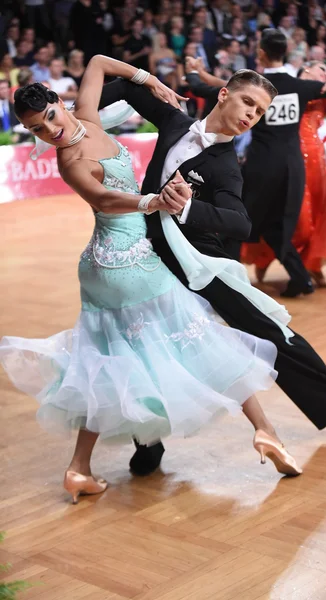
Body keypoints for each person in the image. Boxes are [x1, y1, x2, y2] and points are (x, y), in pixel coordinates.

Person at [0, 57, 302, 504]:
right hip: (127, 263)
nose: (50, 131)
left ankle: (79, 468)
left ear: (59, 103)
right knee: (201, 338)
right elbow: (103, 197)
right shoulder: (70, 159)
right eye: (37, 131)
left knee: (104, 364)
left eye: (49, 117)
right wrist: (155, 202)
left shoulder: (84, 116)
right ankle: (266, 430)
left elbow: (99, 63)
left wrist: (150, 80)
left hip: (104, 269)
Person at [98, 62, 326, 479]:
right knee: (139, 338)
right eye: (248, 101)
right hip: (145, 252)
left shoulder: (226, 164)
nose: (253, 114)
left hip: (199, 257)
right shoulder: (176, 121)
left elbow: (241, 223)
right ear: (224, 94)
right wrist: (79, 107)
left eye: (261, 111)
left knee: (271, 330)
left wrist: (190, 207)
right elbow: (125, 87)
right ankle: (148, 440)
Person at [241, 61, 326, 287]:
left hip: (318, 163)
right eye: (321, 69)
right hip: (292, 161)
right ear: (306, 68)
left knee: (320, 217)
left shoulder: (324, 92)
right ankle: (267, 258)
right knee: (296, 220)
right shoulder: (292, 88)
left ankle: (311, 266)